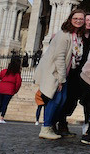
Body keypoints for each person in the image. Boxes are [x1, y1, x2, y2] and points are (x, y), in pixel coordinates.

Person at [34, 9, 86, 140]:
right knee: (56, 100)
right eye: (76, 18)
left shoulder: (76, 36)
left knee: (61, 100)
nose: (78, 21)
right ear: (70, 19)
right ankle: (46, 128)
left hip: (63, 73)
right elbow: (60, 57)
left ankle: (49, 127)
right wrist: (61, 79)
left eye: (81, 19)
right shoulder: (64, 35)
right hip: (56, 73)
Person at [0, 56, 22, 123]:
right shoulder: (17, 74)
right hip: (9, 90)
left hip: (1, 89)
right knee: (5, 104)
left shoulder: (4, 71)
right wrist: (15, 91)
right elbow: (18, 84)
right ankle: (1, 118)